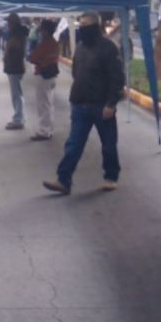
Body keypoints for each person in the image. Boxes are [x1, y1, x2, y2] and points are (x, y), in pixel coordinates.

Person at [43, 11, 124, 195]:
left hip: (102, 106)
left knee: (109, 145)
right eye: (81, 25)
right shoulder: (80, 47)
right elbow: (76, 72)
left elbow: (117, 79)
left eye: (87, 25)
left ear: (96, 26)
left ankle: (111, 177)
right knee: (73, 145)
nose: (83, 29)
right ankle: (63, 180)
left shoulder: (108, 48)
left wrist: (111, 104)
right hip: (80, 105)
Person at [29, 19, 61, 141]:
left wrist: (33, 55)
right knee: (49, 103)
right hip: (51, 75)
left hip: (43, 75)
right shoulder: (54, 43)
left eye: (42, 29)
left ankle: (44, 131)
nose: (40, 31)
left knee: (43, 104)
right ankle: (48, 129)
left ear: (46, 31)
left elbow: (33, 57)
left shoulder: (45, 44)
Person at [3, 13, 28, 130]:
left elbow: (15, 52)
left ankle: (18, 119)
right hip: (15, 67)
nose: (8, 25)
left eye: (9, 22)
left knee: (16, 94)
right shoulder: (18, 35)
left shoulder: (17, 36)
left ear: (13, 23)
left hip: (14, 67)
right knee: (17, 93)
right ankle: (19, 117)